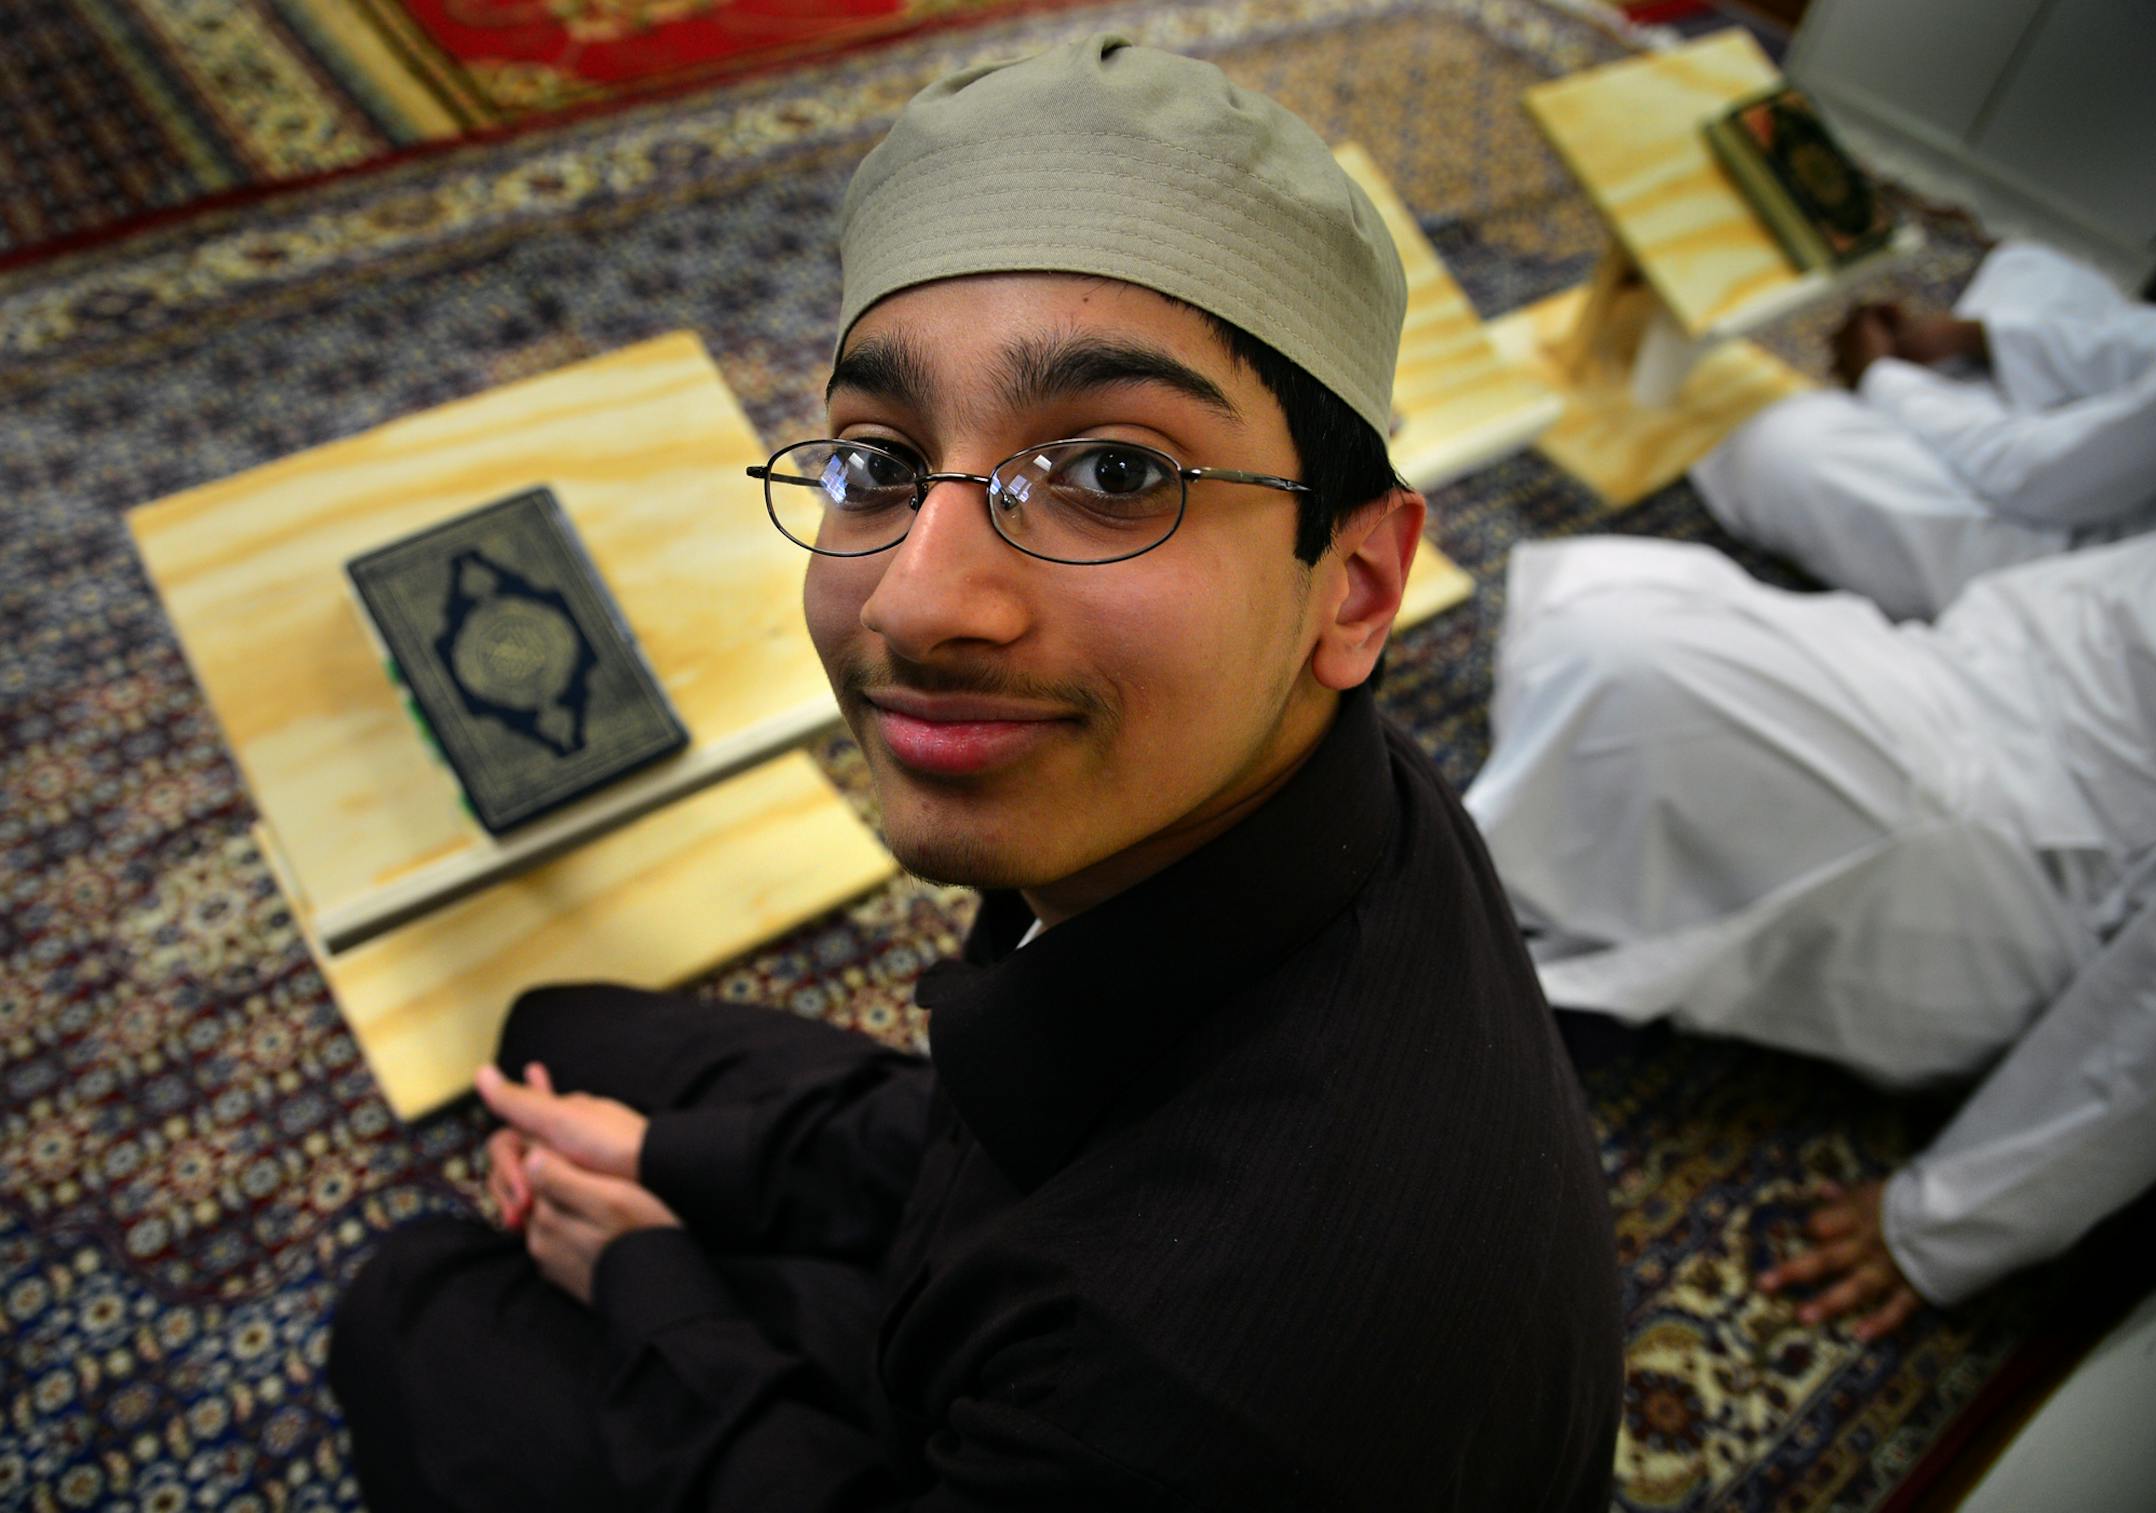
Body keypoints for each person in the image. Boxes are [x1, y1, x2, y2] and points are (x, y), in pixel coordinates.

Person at [329, 35, 1623, 1510]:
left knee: (421, 1304)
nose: (915, 602)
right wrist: (675, 1160)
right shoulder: (1298, 795)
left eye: (1116, 473)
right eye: (879, 462)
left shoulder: (1196, 1381)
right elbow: (1007, 1100)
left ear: (1355, 581)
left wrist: (647, 1278)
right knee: (563, 1030)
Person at [1463, 530, 2156, 1338]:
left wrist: (1941, 1226)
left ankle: (1551, 936)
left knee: (1635, 673)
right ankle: (1595, 899)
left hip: (2045, 854)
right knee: (1613, 603)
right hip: (1963, 668)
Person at [1690, 240, 2156, 620]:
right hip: (2099, 482)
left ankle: (1915, 420)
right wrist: (1979, 337)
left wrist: (1882, 378)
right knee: (2037, 268)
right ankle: (1936, 411)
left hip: (2085, 569)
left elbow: (2033, 477)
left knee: (1779, 445)